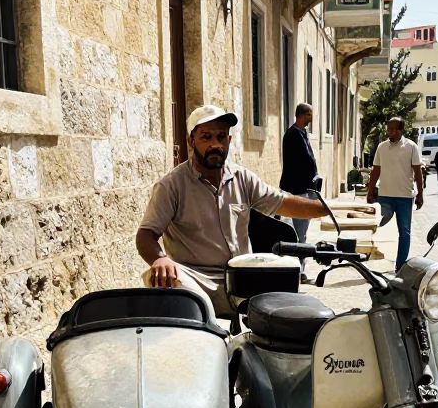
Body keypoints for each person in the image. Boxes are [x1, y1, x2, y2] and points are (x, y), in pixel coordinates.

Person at [137, 105, 329, 318]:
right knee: (170, 284)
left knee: (297, 316)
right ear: (191, 142)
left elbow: (282, 202)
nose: (214, 144)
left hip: (243, 277)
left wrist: (326, 210)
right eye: (206, 137)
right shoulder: (171, 186)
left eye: (221, 137)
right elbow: (146, 234)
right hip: (198, 280)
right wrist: (159, 259)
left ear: (229, 141)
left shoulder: (243, 178)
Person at [366, 117, 424, 270]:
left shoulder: (411, 147)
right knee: (376, 223)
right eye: (388, 129)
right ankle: (366, 252)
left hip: (405, 197)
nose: (389, 132)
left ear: (400, 130)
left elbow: (418, 172)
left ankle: (400, 266)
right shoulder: (382, 147)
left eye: (392, 129)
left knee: (404, 232)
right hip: (385, 196)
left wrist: (420, 194)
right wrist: (370, 190)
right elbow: (376, 171)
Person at [279, 103, 317, 282]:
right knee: (298, 234)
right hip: (297, 191)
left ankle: (299, 270)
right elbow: (304, 161)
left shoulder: (302, 134)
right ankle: (298, 272)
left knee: (301, 233)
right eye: (310, 114)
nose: (312, 118)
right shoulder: (293, 135)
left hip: (303, 189)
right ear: (304, 115)